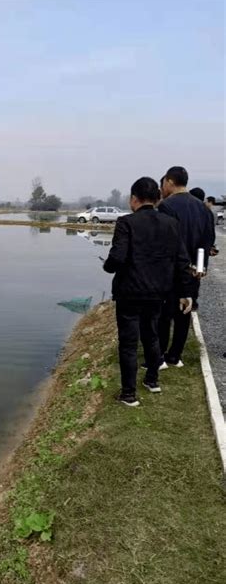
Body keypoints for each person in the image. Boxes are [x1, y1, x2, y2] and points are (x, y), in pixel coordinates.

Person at [104, 177, 193, 407]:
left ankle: (129, 394)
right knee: (152, 335)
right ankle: (152, 381)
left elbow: (117, 258)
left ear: (134, 199)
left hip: (130, 294)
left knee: (129, 343)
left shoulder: (126, 223)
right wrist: (186, 292)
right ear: (157, 198)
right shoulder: (171, 224)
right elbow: (182, 261)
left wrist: (108, 266)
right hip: (158, 293)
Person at [157, 167, 215, 367]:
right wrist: (200, 268)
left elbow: (167, 242)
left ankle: (160, 354)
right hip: (193, 270)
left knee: (164, 314)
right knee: (185, 311)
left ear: (171, 181)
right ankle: (175, 356)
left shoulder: (166, 206)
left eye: (163, 182)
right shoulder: (203, 208)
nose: (162, 187)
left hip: (171, 269)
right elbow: (206, 242)